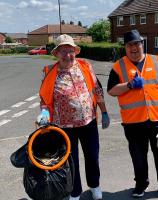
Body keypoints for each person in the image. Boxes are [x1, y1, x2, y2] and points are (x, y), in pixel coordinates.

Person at [107, 29, 158, 199]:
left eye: (136, 44)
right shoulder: (118, 66)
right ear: (125, 47)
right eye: (129, 45)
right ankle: (141, 185)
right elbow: (111, 91)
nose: (134, 48)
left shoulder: (157, 61)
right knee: (138, 156)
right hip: (133, 122)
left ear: (142, 44)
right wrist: (129, 85)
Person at [37, 34, 110, 200]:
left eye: (70, 50)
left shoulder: (85, 66)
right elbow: (44, 99)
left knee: (92, 156)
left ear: (75, 52)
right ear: (56, 53)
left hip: (88, 122)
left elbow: (97, 91)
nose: (67, 55)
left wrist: (104, 111)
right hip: (64, 127)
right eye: (63, 51)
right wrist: (44, 112)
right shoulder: (49, 72)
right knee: (71, 161)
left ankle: (94, 186)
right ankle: (74, 192)